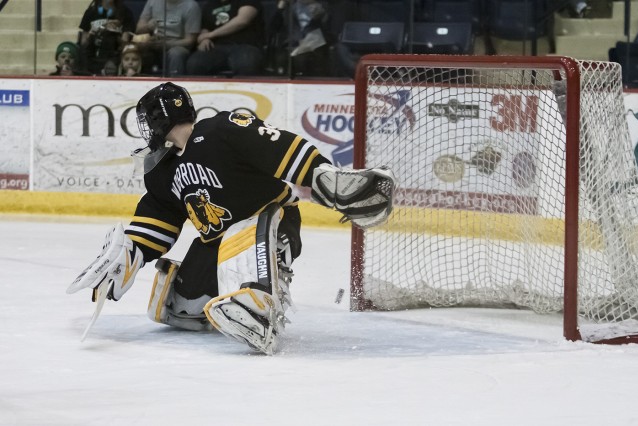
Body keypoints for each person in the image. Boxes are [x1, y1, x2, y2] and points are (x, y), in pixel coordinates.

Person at [67, 82, 396, 355]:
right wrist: (130, 255)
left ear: (158, 120)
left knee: (252, 229)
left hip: (271, 224)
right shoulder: (161, 170)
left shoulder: (221, 129)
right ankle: (235, 297)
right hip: (216, 243)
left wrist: (320, 175)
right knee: (182, 309)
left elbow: (279, 148)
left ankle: (262, 299)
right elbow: (159, 219)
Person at [186, 0, 265, 77]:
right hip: (216, 47)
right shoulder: (210, 4)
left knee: (246, 63)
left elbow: (242, 21)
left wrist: (211, 35)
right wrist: (204, 40)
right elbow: (205, 28)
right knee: (195, 63)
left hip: (245, 45)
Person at [134, 0, 201, 76]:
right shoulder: (152, 2)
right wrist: (148, 27)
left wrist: (167, 44)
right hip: (154, 42)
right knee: (137, 48)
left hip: (178, 45)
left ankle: (174, 84)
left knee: (176, 54)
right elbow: (138, 30)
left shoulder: (191, 6)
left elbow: (190, 41)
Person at [266, 0, 331, 77]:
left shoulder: (324, 6)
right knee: (282, 59)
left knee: (302, 60)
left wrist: (322, 16)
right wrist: (281, 8)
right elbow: (273, 29)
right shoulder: (288, 7)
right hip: (291, 46)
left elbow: (331, 30)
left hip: (315, 47)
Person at [78, 0, 136, 75]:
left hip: (115, 56)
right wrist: (90, 35)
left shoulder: (126, 12)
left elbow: (125, 44)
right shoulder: (90, 12)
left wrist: (115, 31)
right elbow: (83, 43)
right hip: (94, 55)